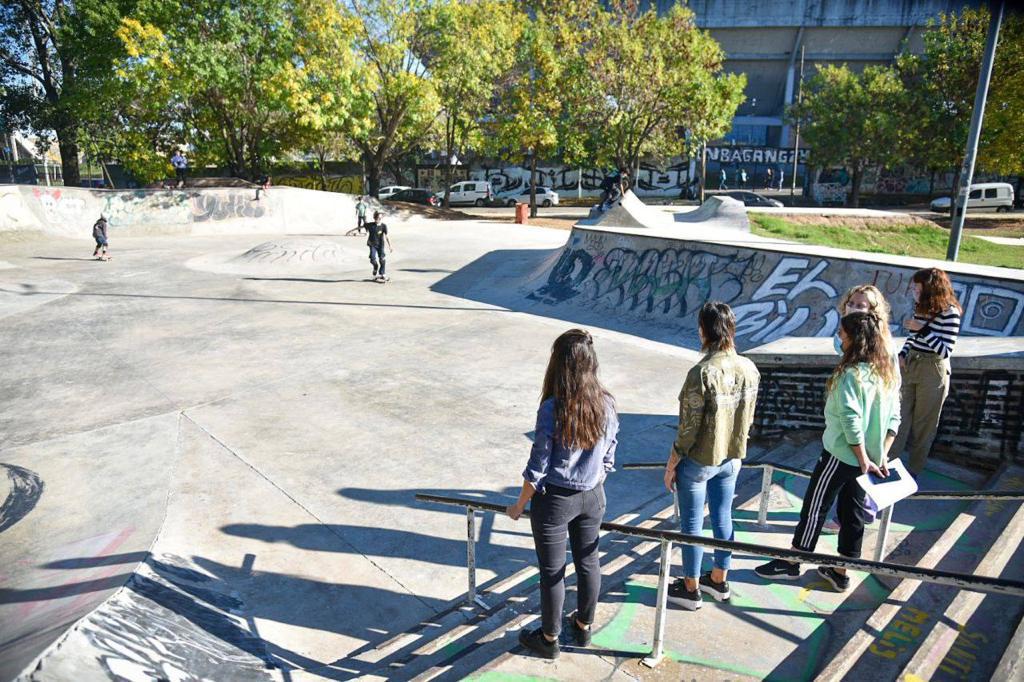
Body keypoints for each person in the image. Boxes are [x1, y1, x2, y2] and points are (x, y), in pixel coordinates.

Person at [755, 311, 901, 591]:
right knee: (853, 514)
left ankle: (794, 561)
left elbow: (850, 420)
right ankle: (841, 570)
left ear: (853, 340)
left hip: (841, 456)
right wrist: (879, 455)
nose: (838, 338)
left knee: (815, 506)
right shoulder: (885, 373)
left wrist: (860, 458)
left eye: (842, 334)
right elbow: (894, 417)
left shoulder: (850, 375)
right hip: (868, 460)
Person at [507, 329, 618, 660]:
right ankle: (583, 626)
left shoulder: (553, 408)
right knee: (589, 561)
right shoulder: (607, 403)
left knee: (552, 571)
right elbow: (610, 456)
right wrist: (594, 480)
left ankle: (549, 637)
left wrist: (519, 505)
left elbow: (537, 467)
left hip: (556, 500)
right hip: (593, 495)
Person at [663, 302, 759, 610]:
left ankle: (690, 587)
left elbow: (688, 429)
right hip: (732, 458)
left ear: (704, 330)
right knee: (723, 516)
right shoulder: (749, 368)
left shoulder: (701, 372)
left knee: (692, 523)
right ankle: (719, 579)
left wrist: (672, 463)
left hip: (700, 460)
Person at [822, 285, 895, 534]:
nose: (853, 308)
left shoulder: (883, 349)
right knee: (850, 488)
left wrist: (880, 450)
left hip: (863, 434)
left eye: (860, 306)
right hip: (855, 436)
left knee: (848, 486)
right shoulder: (848, 340)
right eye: (851, 303)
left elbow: (892, 399)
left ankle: (859, 513)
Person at [891, 268, 962, 477]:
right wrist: (903, 353)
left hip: (934, 368)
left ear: (930, 287)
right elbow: (913, 338)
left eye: (917, 286)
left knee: (925, 425)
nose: (913, 290)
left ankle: (913, 471)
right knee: (898, 418)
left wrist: (922, 328)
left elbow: (945, 350)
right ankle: (890, 465)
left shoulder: (951, 312)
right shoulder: (921, 307)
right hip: (911, 362)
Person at [364, 210, 393, 281]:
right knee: (372, 259)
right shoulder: (370, 225)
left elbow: (387, 236)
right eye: (378, 218)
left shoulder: (383, 226)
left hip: (380, 245)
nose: (379, 219)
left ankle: (382, 273)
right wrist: (364, 221)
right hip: (372, 244)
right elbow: (365, 225)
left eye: (380, 218)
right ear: (375, 218)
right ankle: (375, 267)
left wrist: (390, 246)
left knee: (382, 260)